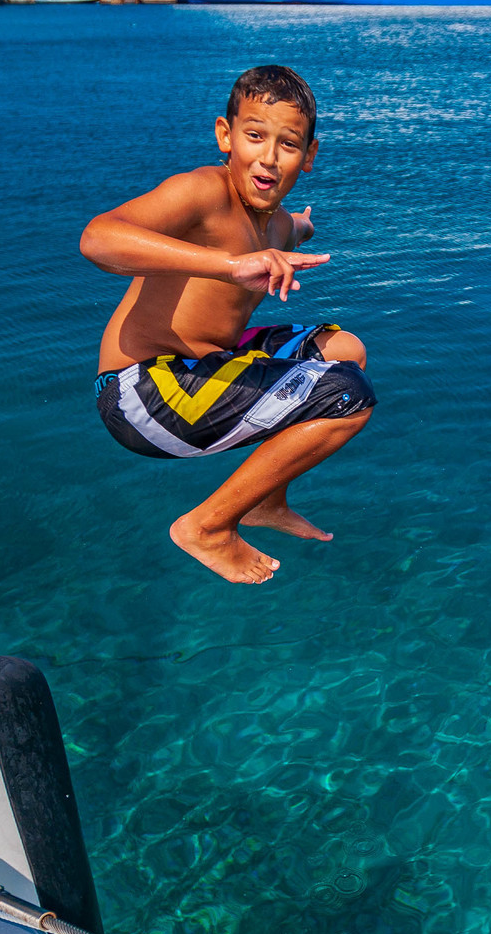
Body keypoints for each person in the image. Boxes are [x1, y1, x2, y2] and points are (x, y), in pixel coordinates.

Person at [82, 64, 375, 585]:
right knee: (348, 396)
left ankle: (265, 500)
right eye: (255, 136)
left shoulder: (279, 224)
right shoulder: (201, 192)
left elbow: (293, 228)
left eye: (288, 145)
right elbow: (99, 238)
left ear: (307, 158)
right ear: (226, 135)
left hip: (205, 365)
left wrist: (302, 226)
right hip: (142, 391)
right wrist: (229, 265)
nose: (268, 156)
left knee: (345, 349)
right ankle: (209, 526)